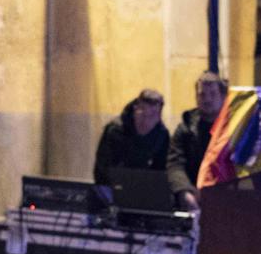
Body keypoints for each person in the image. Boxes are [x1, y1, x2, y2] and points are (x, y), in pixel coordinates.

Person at [167, 72, 226, 210]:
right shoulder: (185, 128)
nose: (207, 99)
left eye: (212, 94)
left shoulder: (233, 128)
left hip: (225, 199)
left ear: (223, 97)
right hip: (192, 196)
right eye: (202, 94)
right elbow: (175, 164)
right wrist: (185, 191)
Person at [94, 89, 168, 185]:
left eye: (152, 116)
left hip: (142, 187)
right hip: (111, 185)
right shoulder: (115, 130)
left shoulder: (161, 135)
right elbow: (103, 168)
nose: (146, 122)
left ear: (159, 116)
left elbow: (160, 171)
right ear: (135, 110)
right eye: (143, 114)